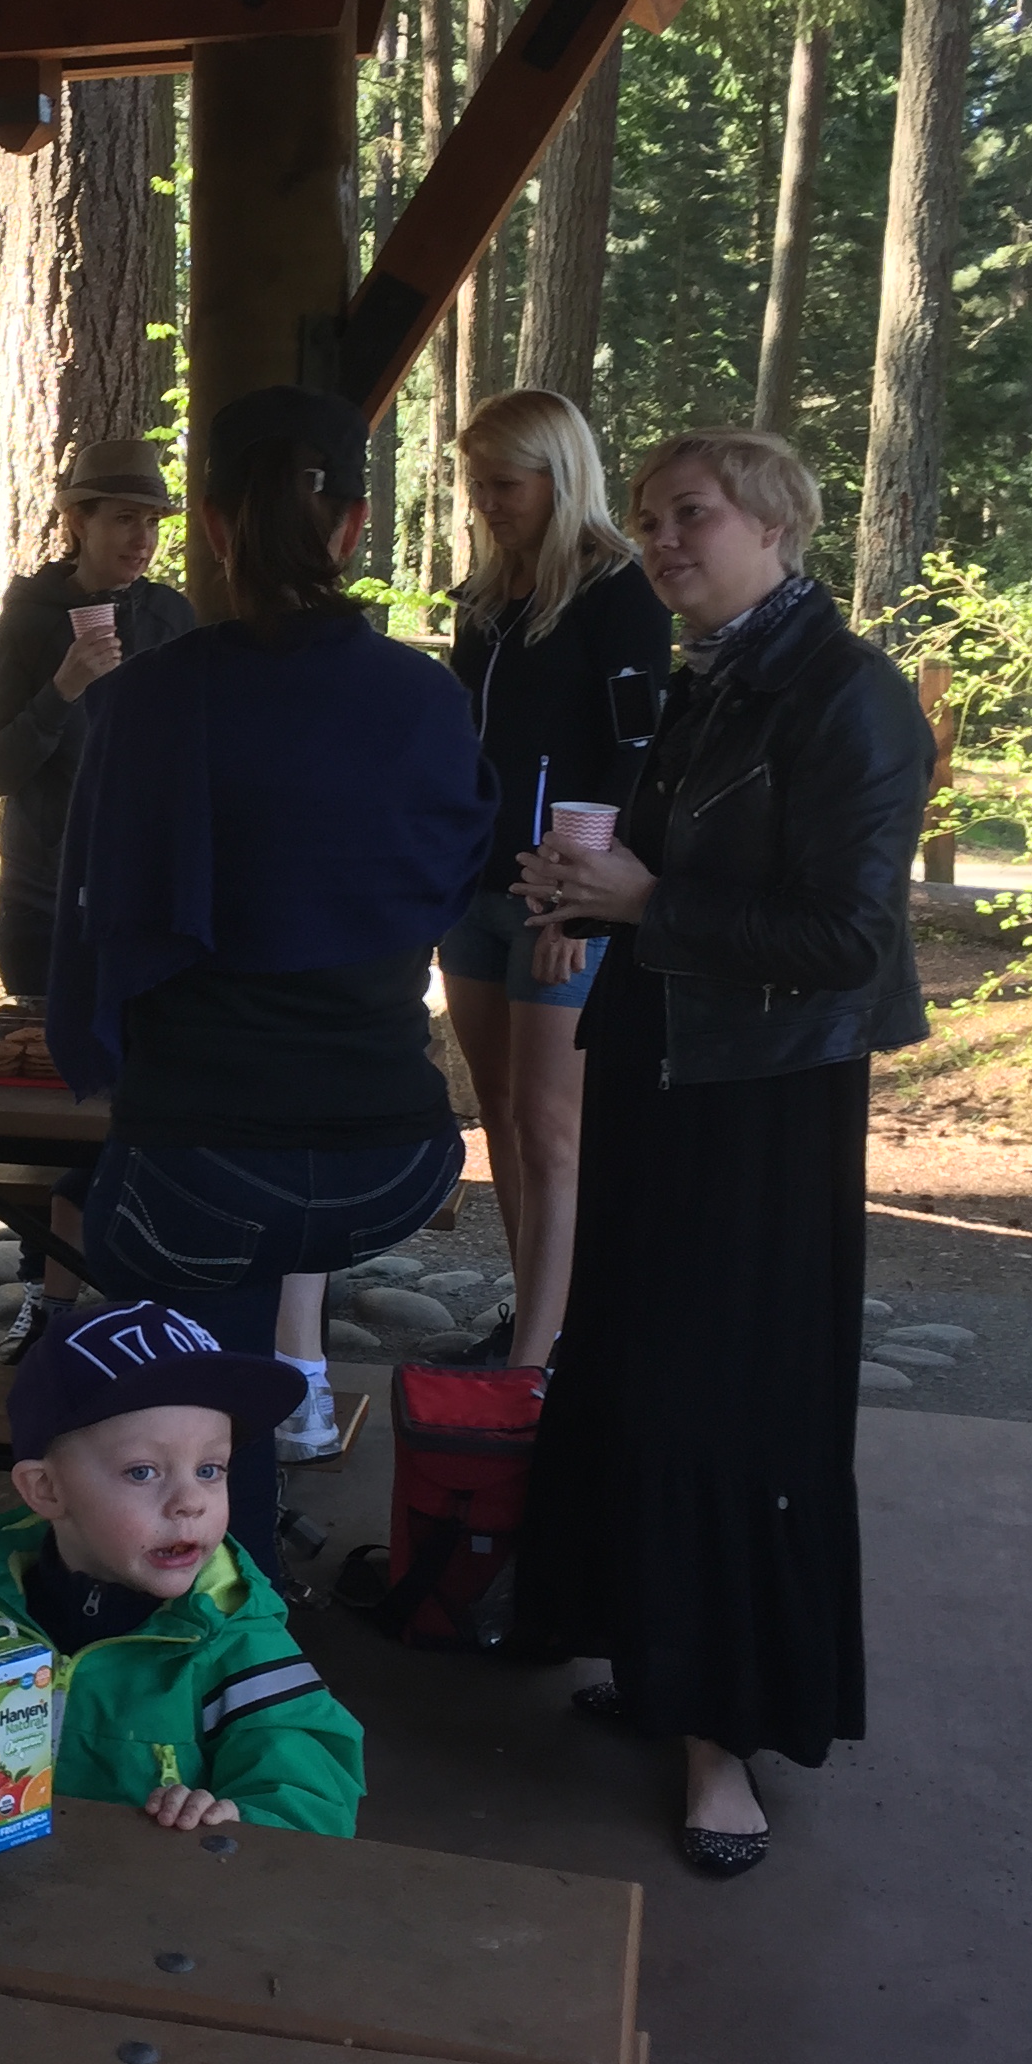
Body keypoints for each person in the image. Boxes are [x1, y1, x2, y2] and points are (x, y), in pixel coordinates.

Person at [507, 427, 931, 1879]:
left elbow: (848, 939)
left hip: (764, 1106)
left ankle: (723, 1740)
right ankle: (655, 1657)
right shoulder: (715, 677)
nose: (662, 541)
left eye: (690, 514)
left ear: (778, 524)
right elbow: (677, 870)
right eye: (647, 519)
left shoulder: (848, 693)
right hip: (664, 1068)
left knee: (729, 1411)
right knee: (636, 1379)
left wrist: (647, 904)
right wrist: (587, 894)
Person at [48, 384, 494, 1578]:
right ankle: (249, 1581)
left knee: (179, 1381)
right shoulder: (425, 698)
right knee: (222, 1315)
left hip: (198, 1163)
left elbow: (94, 931)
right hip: (392, 1157)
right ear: (354, 527)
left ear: (213, 528)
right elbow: (459, 883)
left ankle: (216, 1611)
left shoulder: (149, 700)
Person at [0, 1300, 366, 1835]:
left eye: (210, 1469)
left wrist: (240, 1820)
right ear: (46, 1489)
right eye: (143, 1472)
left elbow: (314, 1796)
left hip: (157, 1885)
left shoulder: (234, 1639)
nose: (190, 1501)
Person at [437, 390, 669, 1369]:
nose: (487, 503)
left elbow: (638, 753)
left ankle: (544, 1357)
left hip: (560, 903)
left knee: (550, 1127)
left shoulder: (621, 592)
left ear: (560, 477)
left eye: (506, 484)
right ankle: (536, 1317)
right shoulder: (485, 602)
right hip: (474, 895)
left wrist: (581, 896)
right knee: (500, 1116)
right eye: (477, 484)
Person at [0, 437, 196, 1362]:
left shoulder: (172, 618)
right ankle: (46, 1291)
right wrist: (64, 685)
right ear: (78, 521)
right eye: (123, 519)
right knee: (48, 1107)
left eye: (152, 522)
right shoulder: (28, 622)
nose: (141, 537)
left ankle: (143, 1294)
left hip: (143, 902)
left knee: (143, 1102)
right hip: (43, 901)